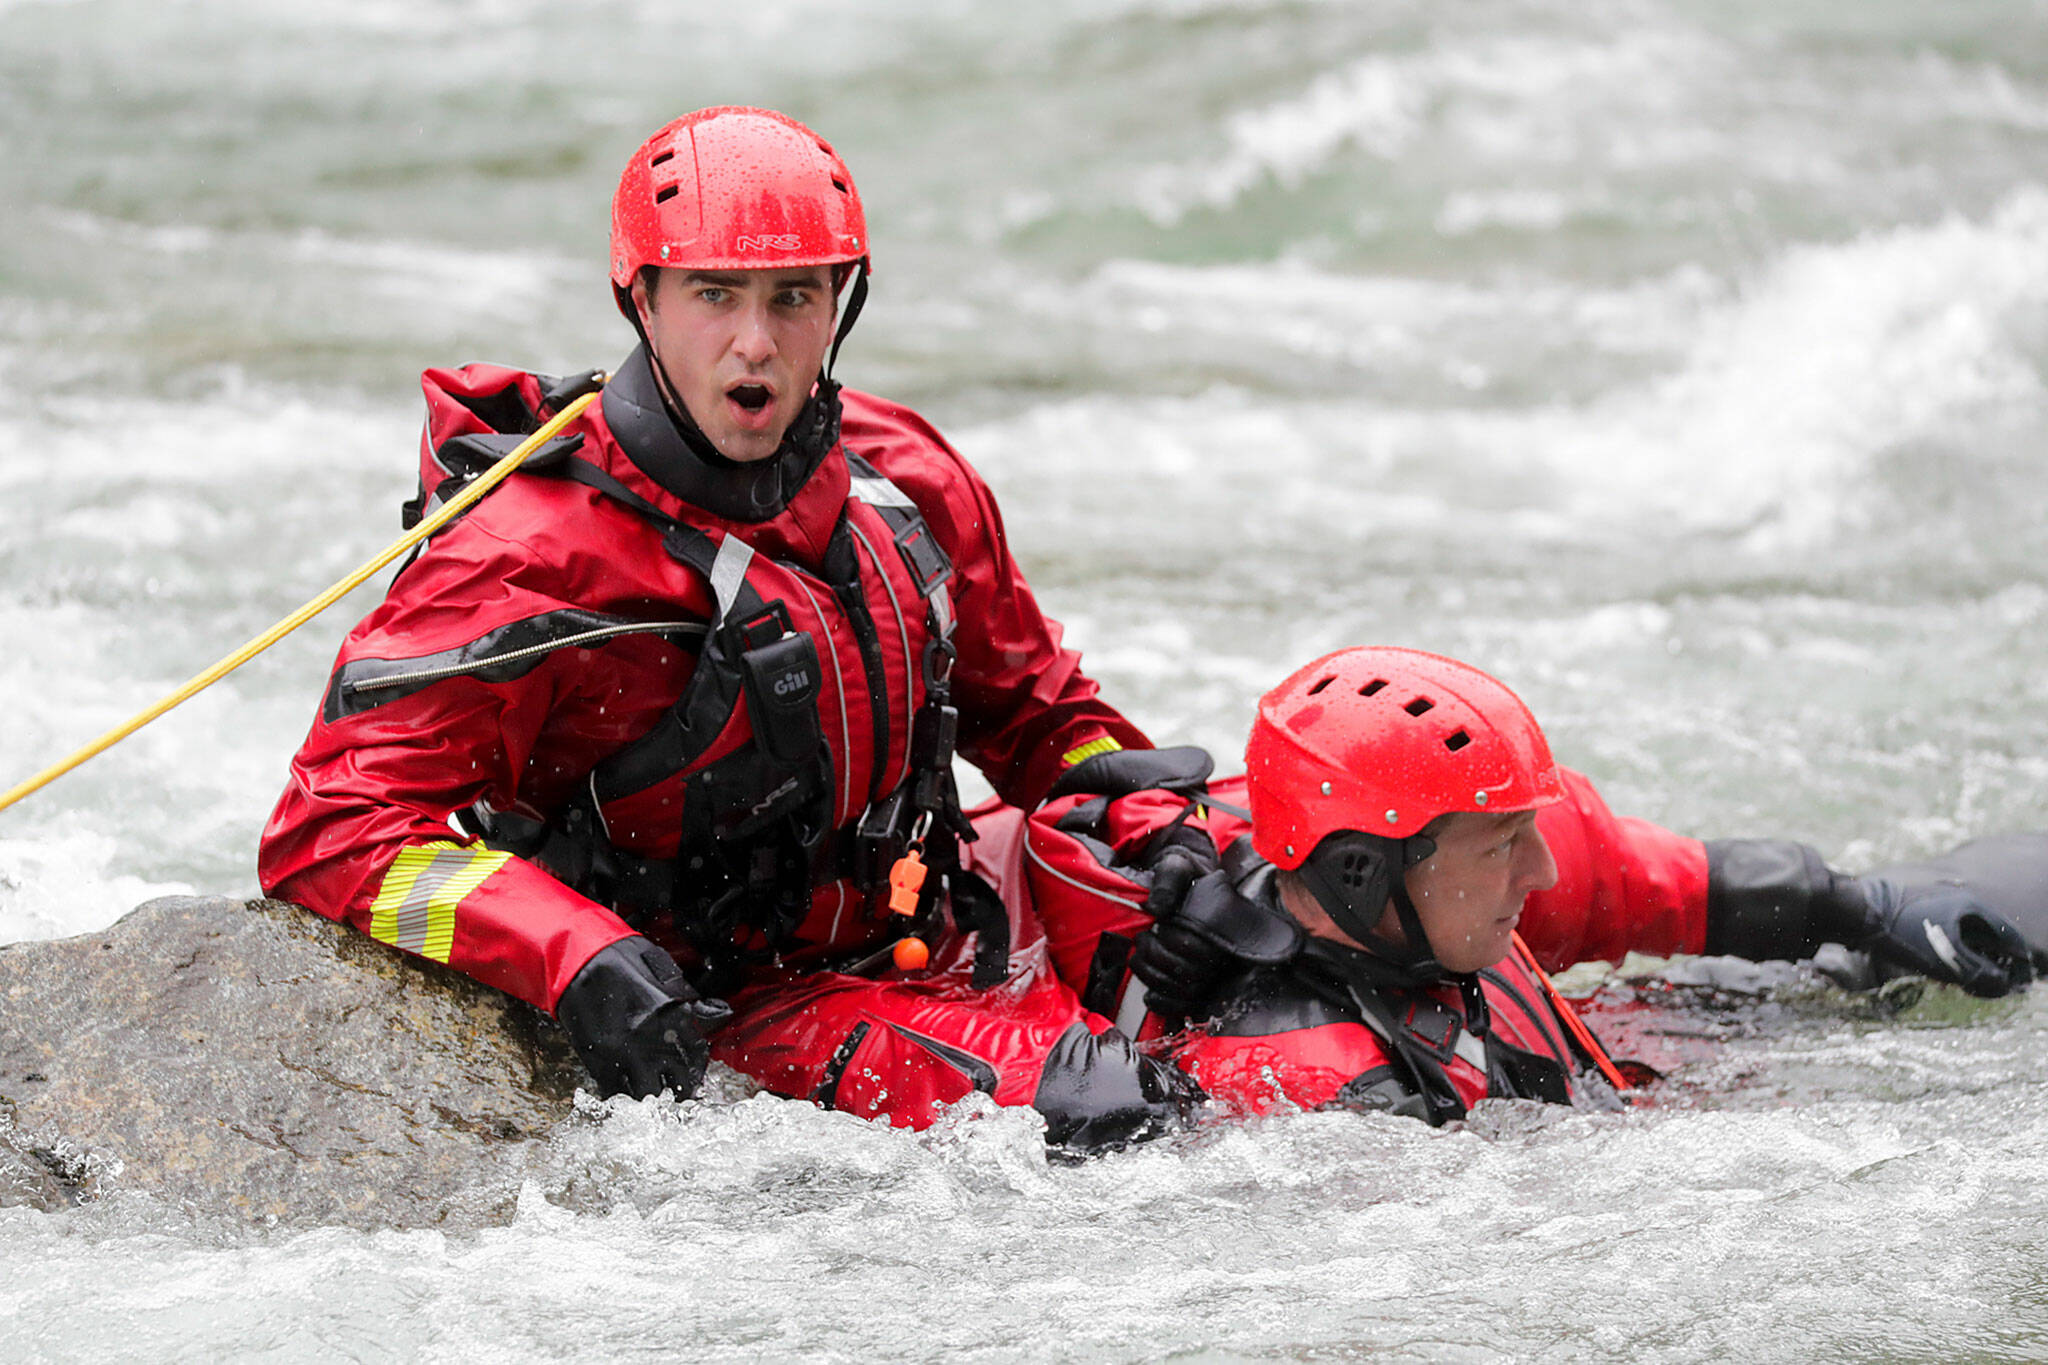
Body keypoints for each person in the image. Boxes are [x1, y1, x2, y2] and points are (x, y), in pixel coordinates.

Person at [258, 106, 1196, 1149]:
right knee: (1130, 1122)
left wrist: (1155, 832)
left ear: (840, 304)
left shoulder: (901, 471)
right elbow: (332, 831)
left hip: (935, 925)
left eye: (793, 299)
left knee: (1316, 902)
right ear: (642, 302)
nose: (756, 344)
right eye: (714, 296)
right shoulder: (529, 560)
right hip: (735, 1012)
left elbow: (1040, 718)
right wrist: (569, 954)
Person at [1019, 647, 2042, 1123]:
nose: (1539, 870)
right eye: (1506, 841)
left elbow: (1630, 872)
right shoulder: (1321, 1100)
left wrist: (1852, 905)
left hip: (1643, 1056)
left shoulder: (1409, 897)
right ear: (1359, 866)